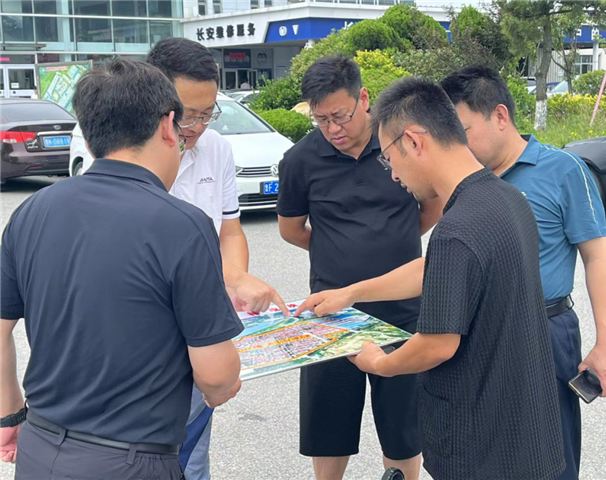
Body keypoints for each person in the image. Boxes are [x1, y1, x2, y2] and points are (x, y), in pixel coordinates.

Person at [295, 77, 565, 480]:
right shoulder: (505, 198)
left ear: (414, 141)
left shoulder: (457, 228)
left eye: (389, 159)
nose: (392, 175)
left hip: (480, 446)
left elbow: (437, 344)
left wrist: (380, 363)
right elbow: (438, 268)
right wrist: (352, 292)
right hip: (525, 433)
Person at [0, 59, 250, 478]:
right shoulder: (182, 223)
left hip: (39, 449)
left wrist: (10, 414)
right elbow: (216, 375)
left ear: (90, 135)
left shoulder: (32, 211)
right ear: (168, 126)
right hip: (131, 460)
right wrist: (223, 383)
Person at [439, 66, 606, 480]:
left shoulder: (563, 170)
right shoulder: (463, 181)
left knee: (550, 456)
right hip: (477, 333)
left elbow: (597, 258)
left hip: (544, 328)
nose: (459, 146)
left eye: (464, 131)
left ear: (500, 116)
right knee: (482, 452)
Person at [277, 56, 442, 480]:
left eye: (340, 116)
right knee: (328, 429)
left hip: (404, 311)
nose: (332, 128)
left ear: (363, 98)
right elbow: (292, 230)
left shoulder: (399, 144)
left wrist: (392, 243)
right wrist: (338, 248)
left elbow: (432, 206)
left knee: (404, 430)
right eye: (321, 119)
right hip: (332, 316)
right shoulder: (299, 160)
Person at [147, 37, 288, 479]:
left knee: (193, 448)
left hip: (200, 326)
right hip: (149, 332)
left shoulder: (217, 149)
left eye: (208, 114)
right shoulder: (132, 155)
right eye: (188, 114)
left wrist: (236, 278)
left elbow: (229, 230)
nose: (197, 127)